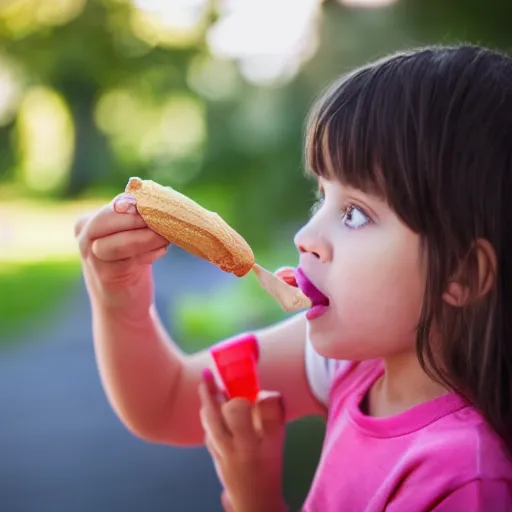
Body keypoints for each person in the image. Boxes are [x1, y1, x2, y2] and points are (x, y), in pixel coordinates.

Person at [76, 44, 512, 511]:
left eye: (355, 214)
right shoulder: (351, 365)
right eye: (321, 196)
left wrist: (256, 502)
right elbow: (166, 401)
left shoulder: (464, 479)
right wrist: (120, 299)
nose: (305, 236)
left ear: (461, 273)